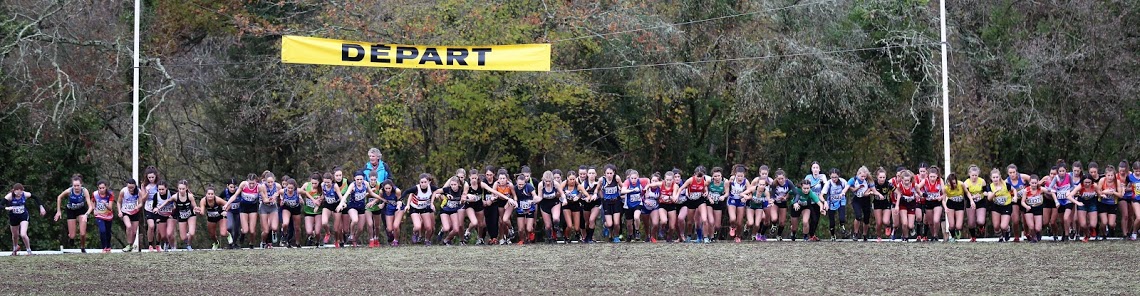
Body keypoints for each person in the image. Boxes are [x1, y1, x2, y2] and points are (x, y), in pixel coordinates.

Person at [336, 172, 379, 247]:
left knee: (360, 229)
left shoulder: (365, 184)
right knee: (355, 220)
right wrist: (340, 204)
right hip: (352, 206)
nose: (359, 181)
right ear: (354, 179)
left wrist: (382, 199)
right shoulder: (353, 185)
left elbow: (371, 193)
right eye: (358, 179)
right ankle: (351, 234)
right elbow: (346, 194)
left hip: (362, 207)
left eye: (361, 179)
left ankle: (355, 239)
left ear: (363, 179)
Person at [154, 180, 198, 250]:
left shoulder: (190, 196)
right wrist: (158, 208)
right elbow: (167, 201)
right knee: (183, 237)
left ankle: (189, 245)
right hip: (181, 217)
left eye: (183, 189)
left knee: (192, 233)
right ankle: (185, 239)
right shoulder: (175, 196)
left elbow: (194, 206)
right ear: (178, 189)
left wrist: (196, 209)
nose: (181, 190)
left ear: (186, 188)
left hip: (191, 215)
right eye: (180, 189)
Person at [54, 174, 93, 252]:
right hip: (71, 210)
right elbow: (59, 197)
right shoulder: (69, 191)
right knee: (72, 235)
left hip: (81, 210)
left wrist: (86, 215)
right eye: (74, 186)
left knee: (82, 233)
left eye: (78, 185)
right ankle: (71, 238)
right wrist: (58, 211)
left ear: (81, 185)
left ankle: (82, 247)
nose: (76, 188)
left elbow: (91, 207)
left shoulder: (84, 191)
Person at [224, 174, 264, 249]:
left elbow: (264, 198)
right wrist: (227, 204)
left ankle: (251, 243)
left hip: (253, 208)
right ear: (247, 181)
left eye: (253, 183)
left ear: (256, 182)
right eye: (250, 183)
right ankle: (242, 234)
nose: (251, 185)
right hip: (243, 208)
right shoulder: (243, 184)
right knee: (245, 230)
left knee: (252, 231)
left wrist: (271, 199)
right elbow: (235, 195)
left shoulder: (259, 187)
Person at [4, 184, 45, 256]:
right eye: (17, 193)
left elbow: (36, 197)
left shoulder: (25, 194)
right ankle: (15, 249)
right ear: (14, 191)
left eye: (20, 193)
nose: (19, 195)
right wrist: (6, 208)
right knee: (15, 235)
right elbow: (0, 204)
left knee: (23, 234)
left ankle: (29, 251)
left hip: (23, 216)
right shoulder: (9, 196)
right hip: (13, 217)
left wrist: (41, 207)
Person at [677, 166, 710, 243]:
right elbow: (681, 188)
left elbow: (705, 189)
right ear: (694, 174)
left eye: (701, 177)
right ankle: (689, 235)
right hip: (691, 201)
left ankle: (705, 237)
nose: (699, 178)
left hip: (700, 200)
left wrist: (706, 193)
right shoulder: (690, 180)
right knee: (690, 222)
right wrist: (676, 196)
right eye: (697, 176)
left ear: (703, 175)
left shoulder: (705, 181)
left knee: (704, 219)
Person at [406, 173, 440, 246]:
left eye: (427, 181)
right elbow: (411, 194)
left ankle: (427, 240)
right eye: (422, 182)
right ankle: (419, 235)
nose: (424, 184)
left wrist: (438, 196)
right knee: (420, 224)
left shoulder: (432, 188)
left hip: (428, 207)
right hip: (418, 207)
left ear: (429, 181)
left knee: (431, 227)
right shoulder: (417, 188)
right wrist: (408, 205)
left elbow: (440, 192)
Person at [436, 176, 469, 245]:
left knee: (456, 229)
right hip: (445, 209)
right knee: (447, 228)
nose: (453, 186)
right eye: (451, 185)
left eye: (455, 185)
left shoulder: (462, 190)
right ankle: (442, 231)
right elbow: (436, 191)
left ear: (458, 184)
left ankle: (446, 240)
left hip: (454, 211)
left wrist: (466, 199)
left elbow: (466, 196)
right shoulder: (447, 189)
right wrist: (442, 195)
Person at [987, 168, 1016, 242]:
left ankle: (1007, 230)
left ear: (999, 177)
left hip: (1006, 206)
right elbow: (989, 198)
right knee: (996, 226)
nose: (995, 179)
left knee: (1003, 226)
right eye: (994, 177)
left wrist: (1015, 196)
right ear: (991, 178)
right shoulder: (990, 186)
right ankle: (1000, 237)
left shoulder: (1005, 185)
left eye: (997, 177)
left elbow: (1014, 190)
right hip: (996, 206)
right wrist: (995, 192)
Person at [942, 173, 973, 242]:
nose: (953, 185)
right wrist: (945, 207)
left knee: (958, 226)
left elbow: (967, 193)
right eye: (950, 183)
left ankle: (957, 231)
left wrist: (971, 201)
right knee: (952, 225)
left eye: (954, 183)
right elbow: (943, 200)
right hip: (950, 204)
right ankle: (952, 237)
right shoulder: (945, 188)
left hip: (960, 204)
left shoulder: (961, 184)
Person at [621, 169, 650, 243]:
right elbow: (622, 191)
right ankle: (630, 235)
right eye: (632, 178)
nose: (633, 180)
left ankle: (637, 231)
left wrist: (646, 190)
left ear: (638, 177)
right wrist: (632, 190)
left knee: (636, 217)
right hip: (628, 205)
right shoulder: (627, 182)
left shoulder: (641, 181)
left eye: (635, 178)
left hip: (638, 203)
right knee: (629, 224)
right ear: (629, 178)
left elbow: (648, 181)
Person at [596, 165, 623, 242]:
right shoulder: (602, 180)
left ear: (614, 173)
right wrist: (602, 197)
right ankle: (605, 226)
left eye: (611, 173)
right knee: (610, 224)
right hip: (607, 202)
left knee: (617, 223)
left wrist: (622, 192)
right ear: (604, 173)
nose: (609, 175)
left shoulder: (617, 178)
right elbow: (597, 189)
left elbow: (623, 187)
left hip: (616, 201)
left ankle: (616, 236)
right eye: (607, 173)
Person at [198, 184, 230, 250]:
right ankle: (216, 243)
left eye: (212, 194)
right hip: (211, 218)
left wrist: (225, 211)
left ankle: (228, 234)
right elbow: (202, 212)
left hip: (221, 216)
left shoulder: (218, 200)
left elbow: (228, 204)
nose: (210, 195)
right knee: (212, 235)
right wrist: (198, 211)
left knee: (223, 233)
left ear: (214, 194)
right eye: (209, 194)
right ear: (206, 194)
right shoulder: (203, 201)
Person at [821, 168, 849, 241]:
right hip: (831, 203)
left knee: (842, 218)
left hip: (841, 201)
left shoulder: (843, 182)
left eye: (836, 177)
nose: (834, 179)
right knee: (832, 222)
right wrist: (824, 202)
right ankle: (833, 235)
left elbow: (849, 187)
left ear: (838, 176)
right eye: (832, 177)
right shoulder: (828, 183)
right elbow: (821, 195)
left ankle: (842, 226)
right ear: (830, 176)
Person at [146, 180, 174, 251]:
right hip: (161, 216)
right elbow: (154, 207)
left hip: (170, 216)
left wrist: (173, 212)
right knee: (163, 235)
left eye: (162, 189)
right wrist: (156, 214)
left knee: (169, 233)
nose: (161, 191)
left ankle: (173, 246)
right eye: (159, 189)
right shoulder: (156, 195)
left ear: (166, 188)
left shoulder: (171, 194)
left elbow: (179, 199)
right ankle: (166, 242)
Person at [560, 172, 588, 242]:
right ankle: (566, 237)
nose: (572, 181)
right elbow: (559, 191)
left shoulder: (578, 186)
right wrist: (563, 197)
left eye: (573, 179)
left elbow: (586, 194)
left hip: (575, 205)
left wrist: (580, 196)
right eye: (570, 179)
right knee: (569, 225)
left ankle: (577, 234)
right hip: (566, 205)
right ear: (567, 178)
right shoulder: (564, 184)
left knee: (577, 228)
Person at [1097, 166, 1122, 240]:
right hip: (1103, 203)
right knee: (1104, 222)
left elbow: (1120, 195)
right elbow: (1098, 192)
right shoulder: (1102, 180)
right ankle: (1103, 234)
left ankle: (1110, 230)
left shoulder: (1117, 182)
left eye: (1112, 175)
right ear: (1105, 175)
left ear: (1114, 175)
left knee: (1111, 224)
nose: (1110, 177)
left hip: (1112, 203)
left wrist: (1113, 192)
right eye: (1108, 175)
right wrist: (1105, 192)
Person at [963, 165, 988, 242]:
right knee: (971, 223)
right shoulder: (966, 183)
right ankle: (973, 237)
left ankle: (981, 226)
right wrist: (972, 198)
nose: (974, 177)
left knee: (980, 221)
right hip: (970, 202)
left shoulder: (982, 181)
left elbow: (985, 191)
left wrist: (984, 194)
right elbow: (966, 196)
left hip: (981, 202)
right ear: (969, 174)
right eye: (972, 175)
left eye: (976, 175)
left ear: (978, 175)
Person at [894, 170, 920, 242]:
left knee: (910, 225)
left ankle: (912, 228)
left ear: (910, 179)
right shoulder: (900, 186)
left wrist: (919, 195)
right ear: (902, 179)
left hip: (911, 204)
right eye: (905, 180)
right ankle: (906, 237)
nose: (906, 182)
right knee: (904, 223)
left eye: (908, 180)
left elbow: (919, 192)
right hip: (903, 204)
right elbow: (898, 195)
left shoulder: (914, 185)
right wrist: (897, 206)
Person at [847, 167, 872, 241]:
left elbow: (872, 188)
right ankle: (855, 233)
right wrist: (856, 188)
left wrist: (868, 192)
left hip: (866, 199)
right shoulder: (853, 180)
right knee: (858, 216)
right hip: (857, 199)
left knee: (866, 218)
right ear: (858, 174)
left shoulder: (868, 181)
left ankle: (864, 234)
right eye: (862, 176)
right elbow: (848, 187)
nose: (863, 178)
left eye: (865, 176)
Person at [726, 165, 750, 243]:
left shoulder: (746, 181)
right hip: (732, 199)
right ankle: (732, 227)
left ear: (744, 175)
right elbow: (726, 186)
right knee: (733, 218)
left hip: (740, 201)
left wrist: (745, 197)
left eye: (741, 176)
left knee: (739, 222)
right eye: (738, 176)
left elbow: (750, 193)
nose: (740, 178)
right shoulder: (732, 179)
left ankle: (738, 236)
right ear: (735, 174)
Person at [117, 179, 143, 252]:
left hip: (135, 212)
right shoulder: (123, 191)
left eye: (132, 187)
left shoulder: (139, 191)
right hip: (125, 212)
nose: (130, 189)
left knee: (134, 232)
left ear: (135, 186)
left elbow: (141, 203)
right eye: (129, 187)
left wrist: (137, 207)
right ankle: (128, 244)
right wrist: (119, 211)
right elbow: (118, 202)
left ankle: (131, 245)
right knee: (128, 226)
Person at [921, 167, 945, 242]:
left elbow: (945, 192)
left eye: (934, 176)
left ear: (937, 175)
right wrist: (921, 194)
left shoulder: (940, 180)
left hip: (937, 202)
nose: (932, 178)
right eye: (931, 176)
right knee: (930, 223)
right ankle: (933, 236)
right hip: (928, 202)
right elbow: (917, 187)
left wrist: (941, 197)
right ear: (928, 176)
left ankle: (936, 235)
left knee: (936, 220)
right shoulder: (925, 181)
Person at [869, 168, 893, 242]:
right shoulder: (874, 184)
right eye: (880, 177)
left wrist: (897, 202)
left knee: (885, 221)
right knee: (879, 223)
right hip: (877, 203)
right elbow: (867, 192)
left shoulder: (888, 184)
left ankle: (889, 226)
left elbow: (897, 192)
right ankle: (879, 236)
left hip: (886, 203)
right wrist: (872, 193)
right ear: (877, 177)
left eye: (883, 177)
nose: (882, 179)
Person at [769, 169, 794, 241]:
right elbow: (772, 194)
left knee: (782, 223)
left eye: (782, 178)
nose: (780, 180)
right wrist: (773, 199)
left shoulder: (789, 182)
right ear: (776, 178)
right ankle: (773, 225)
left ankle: (779, 235)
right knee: (774, 218)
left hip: (783, 203)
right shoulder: (774, 183)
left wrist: (786, 197)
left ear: (785, 178)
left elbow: (793, 191)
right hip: (775, 202)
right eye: (779, 179)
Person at [299, 174, 324, 247]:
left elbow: (325, 195)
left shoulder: (322, 187)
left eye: (315, 183)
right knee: (309, 231)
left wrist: (319, 200)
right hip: (308, 211)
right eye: (312, 183)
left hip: (318, 211)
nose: (313, 185)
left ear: (319, 182)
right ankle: (312, 236)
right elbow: (299, 191)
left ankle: (318, 242)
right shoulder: (307, 185)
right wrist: (300, 198)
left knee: (318, 232)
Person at [511, 175, 537, 245]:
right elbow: (513, 197)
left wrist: (532, 201)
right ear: (516, 182)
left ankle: (531, 234)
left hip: (530, 209)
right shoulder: (515, 188)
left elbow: (535, 196)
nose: (521, 186)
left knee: (528, 228)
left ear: (525, 183)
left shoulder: (529, 186)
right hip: (520, 209)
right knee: (520, 229)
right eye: (519, 184)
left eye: (522, 184)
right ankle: (522, 240)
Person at [1019, 175, 1045, 243]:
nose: (1034, 185)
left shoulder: (1041, 189)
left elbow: (1050, 191)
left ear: (1037, 183)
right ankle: (1034, 237)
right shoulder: (1026, 190)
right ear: (1029, 183)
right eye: (1032, 183)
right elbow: (1022, 202)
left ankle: (1038, 233)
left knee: (1038, 228)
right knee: (1031, 227)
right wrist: (1026, 206)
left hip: (1038, 208)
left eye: (1035, 183)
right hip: (1029, 209)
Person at [92, 180, 116, 253]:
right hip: (99, 215)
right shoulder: (95, 194)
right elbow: (92, 201)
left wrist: (105, 204)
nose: (102, 190)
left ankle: (108, 246)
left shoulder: (110, 194)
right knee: (102, 230)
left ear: (106, 187)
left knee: (108, 232)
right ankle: (104, 247)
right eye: (100, 188)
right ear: (98, 188)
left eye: (103, 188)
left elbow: (110, 208)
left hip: (108, 216)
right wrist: (94, 209)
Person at [279, 179, 304, 248]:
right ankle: (284, 235)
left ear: (294, 188)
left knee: (297, 228)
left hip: (296, 209)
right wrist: (278, 200)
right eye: (288, 188)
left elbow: (306, 193)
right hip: (287, 208)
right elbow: (276, 195)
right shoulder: (283, 191)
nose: (290, 189)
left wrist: (313, 200)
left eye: (291, 188)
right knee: (285, 224)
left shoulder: (297, 191)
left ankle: (298, 242)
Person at [259, 173, 282, 249]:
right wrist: (272, 198)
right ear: (265, 181)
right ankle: (263, 242)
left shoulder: (278, 186)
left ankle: (274, 233)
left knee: (275, 227)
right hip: (264, 207)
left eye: (272, 182)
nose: (270, 184)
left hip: (273, 207)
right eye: (268, 182)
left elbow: (281, 195)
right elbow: (265, 200)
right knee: (265, 231)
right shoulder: (262, 186)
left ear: (274, 180)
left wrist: (279, 197)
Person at [582, 167, 601, 243]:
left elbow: (602, 195)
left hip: (596, 203)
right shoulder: (584, 183)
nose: (591, 175)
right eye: (590, 173)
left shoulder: (599, 183)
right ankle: (586, 237)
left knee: (592, 220)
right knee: (587, 222)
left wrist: (597, 195)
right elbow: (581, 193)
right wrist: (586, 197)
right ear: (587, 174)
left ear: (596, 174)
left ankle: (590, 238)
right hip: (586, 204)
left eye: (593, 173)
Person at [1128, 161, 1140, 241]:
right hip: (1135, 199)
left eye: (1139, 171)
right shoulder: (1130, 177)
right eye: (1136, 171)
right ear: (1133, 169)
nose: (1138, 172)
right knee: (1139, 217)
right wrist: (1132, 188)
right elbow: (1126, 188)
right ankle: (1134, 232)